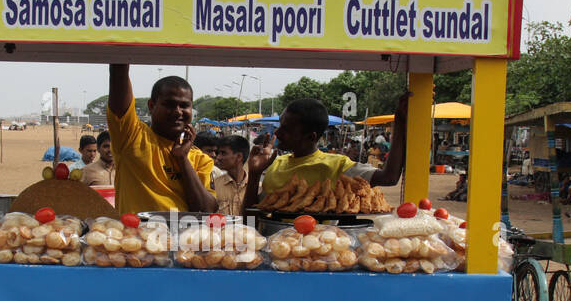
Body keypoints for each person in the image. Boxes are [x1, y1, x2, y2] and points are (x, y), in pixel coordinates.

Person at [243, 94, 408, 211]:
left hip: (324, 251)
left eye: (287, 129)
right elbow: (250, 219)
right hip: (277, 251)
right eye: (280, 126)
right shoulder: (275, 164)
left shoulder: (337, 166)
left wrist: (399, 122)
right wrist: (255, 175)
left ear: (311, 137)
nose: (277, 133)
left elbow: (390, 177)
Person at [106, 65, 216, 213]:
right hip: (135, 235)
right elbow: (119, 72)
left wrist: (182, 160)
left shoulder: (201, 160)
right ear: (151, 106)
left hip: (184, 235)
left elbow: (207, 210)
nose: (178, 112)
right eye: (169, 104)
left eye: (184, 105)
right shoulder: (131, 137)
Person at [213, 135, 250, 217]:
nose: (218, 157)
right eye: (218, 153)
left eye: (223, 153)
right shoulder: (214, 185)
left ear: (239, 156)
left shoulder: (257, 187)